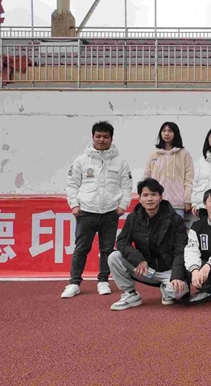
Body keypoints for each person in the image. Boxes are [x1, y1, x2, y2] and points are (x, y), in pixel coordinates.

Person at [62, 121, 133, 299]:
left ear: (111, 139)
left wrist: (122, 205)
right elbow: (72, 184)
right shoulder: (81, 160)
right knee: (81, 249)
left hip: (110, 213)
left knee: (107, 249)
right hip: (86, 212)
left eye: (105, 137)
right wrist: (74, 205)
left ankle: (103, 281)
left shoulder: (120, 162)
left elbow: (126, 186)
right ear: (92, 137)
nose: (101, 140)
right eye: (98, 136)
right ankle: (74, 283)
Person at [107, 178, 188, 310]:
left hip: (168, 271)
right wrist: (139, 260)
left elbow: (181, 249)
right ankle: (130, 294)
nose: (149, 199)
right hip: (145, 269)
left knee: (178, 292)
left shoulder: (174, 219)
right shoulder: (133, 218)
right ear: (140, 199)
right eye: (145, 195)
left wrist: (177, 276)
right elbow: (122, 242)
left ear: (160, 197)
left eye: (153, 194)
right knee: (114, 257)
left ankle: (167, 289)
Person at [144, 122, 194, 219]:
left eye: (170, 131)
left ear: (176, 133)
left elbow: (189, 179)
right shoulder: (154, 155)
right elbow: (147, 178)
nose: (166, 134)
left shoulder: (184, 154)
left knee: (176, 228)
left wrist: (187, 200)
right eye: (164, 131)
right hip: (156, 203)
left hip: (177, 204)